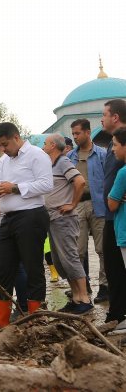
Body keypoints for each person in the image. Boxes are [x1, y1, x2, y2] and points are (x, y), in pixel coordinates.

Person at [0, 122, 53, 333]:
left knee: (32, 267)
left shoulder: (37, 155)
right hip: (8, 219)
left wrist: (15, 188)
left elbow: (46, 184)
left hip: (31, 216)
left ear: (16, 137)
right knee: (4, 269)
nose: (3, 149)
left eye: (5, 144)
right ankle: (0, 319)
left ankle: (35, 317)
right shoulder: (2, 161)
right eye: (0, 146)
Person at [42, 134, 91, 314]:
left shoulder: (63, 162)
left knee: (70, 257)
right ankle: (76, 298)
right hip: (53, 219)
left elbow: (80, 181)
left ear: (53, 145)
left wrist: (72, 204)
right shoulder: (52, 164)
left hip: (63, 219)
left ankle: (84, 298)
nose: (43, 147)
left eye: (45, 144)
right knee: (60, 261)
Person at [68, 118, 108, 304]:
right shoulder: (70, 158)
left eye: (78, 133)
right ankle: (84, 286)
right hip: (77, 205)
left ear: (87, 132)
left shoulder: (102, 154)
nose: (75, 137)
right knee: (78, 249)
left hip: (99, 203)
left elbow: (109, 178)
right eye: (73, 134)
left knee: (102, 249)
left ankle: (105, 286)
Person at [101, 99, 126, 330]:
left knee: (118, 266)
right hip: (112, 214)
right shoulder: (112, 143)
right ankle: (117, 312)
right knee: (112, 265)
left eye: (105, 114)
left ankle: (119, 314)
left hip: (118, 212)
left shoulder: (123, 140)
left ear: (115, 117)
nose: (102, 119)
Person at [107, 127, 126, 333]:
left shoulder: (123, 172)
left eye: (115, 145)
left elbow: (111, 204)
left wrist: (117, 198)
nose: (113, 149)